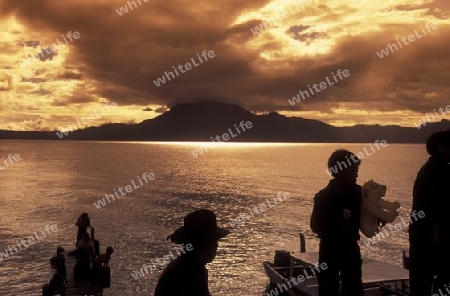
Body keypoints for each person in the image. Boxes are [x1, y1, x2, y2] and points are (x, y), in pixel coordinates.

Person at [310, 149, 364, 296]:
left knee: (354, 289)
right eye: (353, 170)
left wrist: (378, 220)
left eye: (357, 170)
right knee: (328, 289)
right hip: (329, 250)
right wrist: (335, 225)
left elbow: (369, 217)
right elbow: (314, 225)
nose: (356, 174)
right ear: (339, 171)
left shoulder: (359, 193)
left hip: (350, 249)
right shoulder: (322, 197)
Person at [409, 130, 450, 295]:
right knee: (440, 283)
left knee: (421, 284)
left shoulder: (428, 168)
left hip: (423, 237)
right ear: (442, 148)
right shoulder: (441, 171)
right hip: (433, 239)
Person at [154, 209, 230, 296]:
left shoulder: (188, 268)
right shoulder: (190, 274)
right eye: (214, 241)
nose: (217, 246)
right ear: (205, 244)